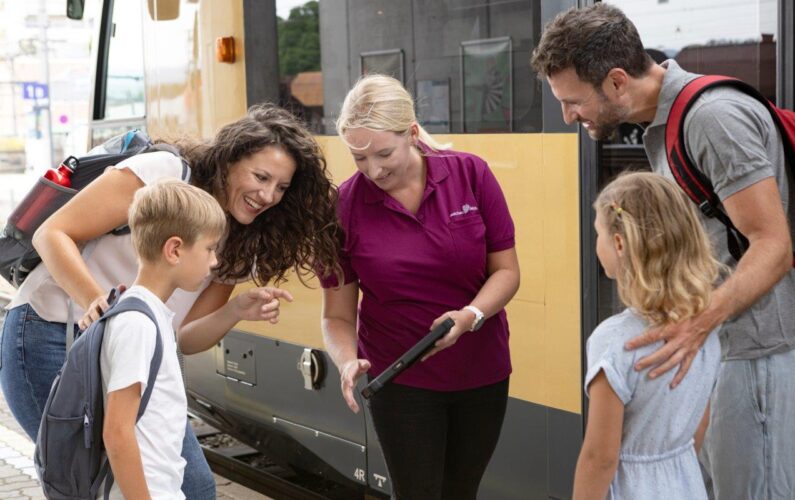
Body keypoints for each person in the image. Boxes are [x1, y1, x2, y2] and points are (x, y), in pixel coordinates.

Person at [0, 104, 342, 499]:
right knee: (86, 481)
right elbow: (52, 233)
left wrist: (234, 311)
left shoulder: (244, 240)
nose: (267, 195)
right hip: (50, 333)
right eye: (260, 176)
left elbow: (185, 337)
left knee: (193, 487)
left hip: (133, 350)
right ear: (229, 160)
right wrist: (97, 302)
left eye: (281, 188)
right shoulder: (164, 173)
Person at [531, 5, 795, 499]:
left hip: (755, 356)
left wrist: (698, 324)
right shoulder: (666, 124)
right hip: (725, 350)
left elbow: (773, 245)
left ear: (616, 82)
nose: (569, 117)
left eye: (573, 102)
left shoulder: (712, 119)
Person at [320, 74, 520, 499]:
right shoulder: (344, 207)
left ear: (412, 133)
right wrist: (345, 360)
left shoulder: (471, 174)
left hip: (481, 371)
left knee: (462, 491)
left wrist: (470, 317)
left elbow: (506, 272)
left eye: (383, 153)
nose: (373, 170)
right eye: (358, 158)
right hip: (399, 378)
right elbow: (336, 314)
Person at [577, 171, 721, 499]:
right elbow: (698, 428)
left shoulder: (614, 341)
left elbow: (599, 458)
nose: (596, 243)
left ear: (618, 243)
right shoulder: (703, 330)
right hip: (686, 484)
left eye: (597, 232)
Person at [103, 180, 226, 499]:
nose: (214, 261)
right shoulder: (137, 324)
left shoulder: (150, 315)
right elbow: (117, 432)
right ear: (174, 250)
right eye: (210, 248)